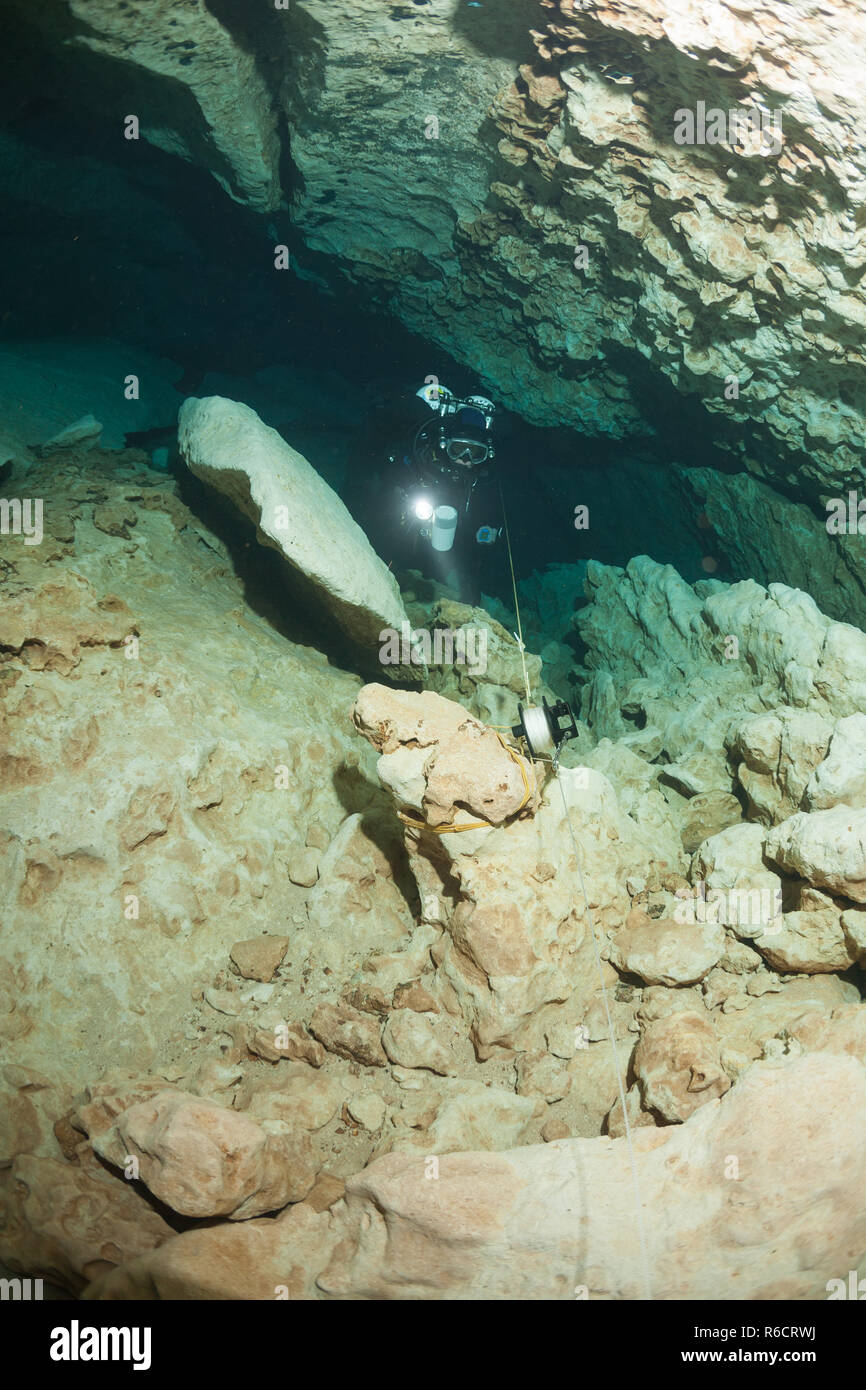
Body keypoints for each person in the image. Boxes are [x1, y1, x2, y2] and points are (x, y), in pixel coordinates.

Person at [369, 381, 503, 603]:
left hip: (451, 552)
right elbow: (392, 476)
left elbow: (490, 517)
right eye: (459, 449)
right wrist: (405, 495)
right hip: (410, 539)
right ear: (444, 445)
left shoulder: (482, 481)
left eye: (475, 453)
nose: (466, 459)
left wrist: (487, 533)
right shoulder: (424, 460)